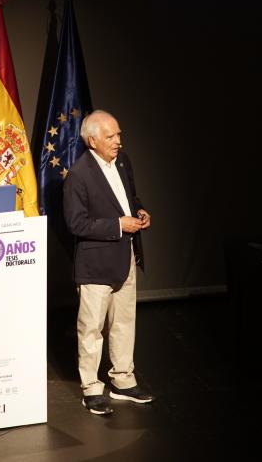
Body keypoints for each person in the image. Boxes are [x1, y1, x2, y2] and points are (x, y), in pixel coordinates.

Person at [63, 109, 154, 415]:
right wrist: (118, 225)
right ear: (92, 141)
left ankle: (123, 380)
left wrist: (139, 212)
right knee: (91, 328)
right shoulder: (78, 175)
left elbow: (129, 198)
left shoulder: (124, 162)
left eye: (119, 134)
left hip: (126, 256)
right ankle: (91, 387)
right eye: (110, 136)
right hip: (96, 264)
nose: (118, 141)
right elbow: (76, 224)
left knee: (124, 322)